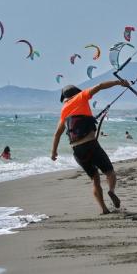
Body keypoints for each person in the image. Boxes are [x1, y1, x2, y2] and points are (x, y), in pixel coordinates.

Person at [51, 81, 127, 215]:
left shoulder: (64, 111)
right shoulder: (81, 96)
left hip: (77, 151)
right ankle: (111, 191)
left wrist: (54, 153)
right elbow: (99, 86)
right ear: (76, 93)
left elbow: (57, 134)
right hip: (91, 144)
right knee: (109, 172)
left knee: (95, 179)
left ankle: (104, 209)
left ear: (65, 98)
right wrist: (119, 82)